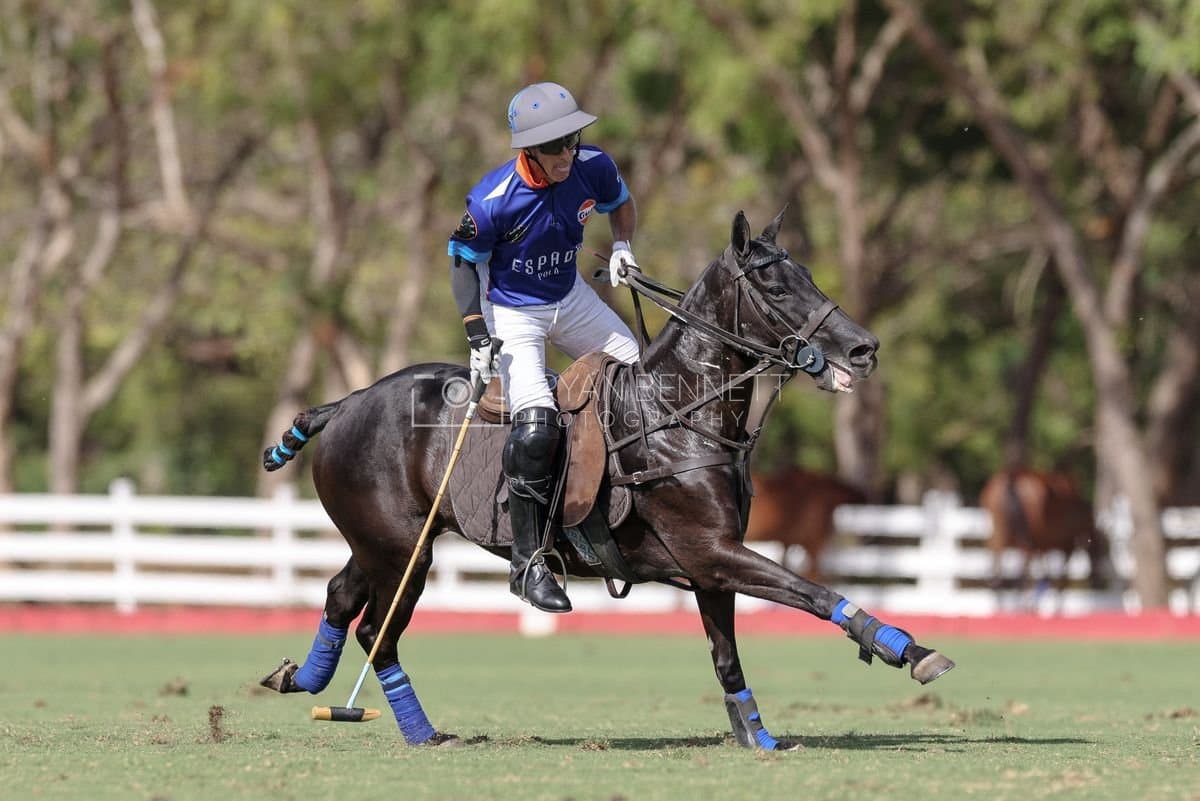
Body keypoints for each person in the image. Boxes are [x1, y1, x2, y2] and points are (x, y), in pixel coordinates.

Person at [447, 81, 641, 614]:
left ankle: (625, 507)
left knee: (640, 381)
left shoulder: (591, 166)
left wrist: (623, 245)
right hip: (513, 310)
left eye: (572, 140)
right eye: (555, 146)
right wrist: (476, 332)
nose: (567, 154)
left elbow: (620, 205)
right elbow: (462, 261)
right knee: (536, 425)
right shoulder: (492, 201)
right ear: (527, 149)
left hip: (571, 296)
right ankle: (529, 562)